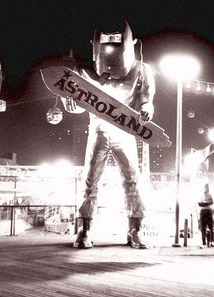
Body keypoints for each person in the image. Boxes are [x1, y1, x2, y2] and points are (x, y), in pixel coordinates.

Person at [61, 22, 155, 249]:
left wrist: (148, 108)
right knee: (91, 179)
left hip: (125, 130)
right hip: (99, 128)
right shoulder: (84, 72)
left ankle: (135, 229)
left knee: (132, 179)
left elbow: (147, 100)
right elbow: (75, 106)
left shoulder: (141, 70)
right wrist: (70, 101)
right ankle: (85, 228)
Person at [198, 183, 214, 248]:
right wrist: (207, 203)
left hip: (209, 211)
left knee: (211, 227)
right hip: (203, 211)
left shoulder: (211, 194)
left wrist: (204, 203)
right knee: (203, 228)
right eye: (205, 187)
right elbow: (199, 203)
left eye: (207, 187)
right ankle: (204, 242)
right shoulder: (200, 195)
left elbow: (212, 202)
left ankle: (212, 241)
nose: (206, 189)